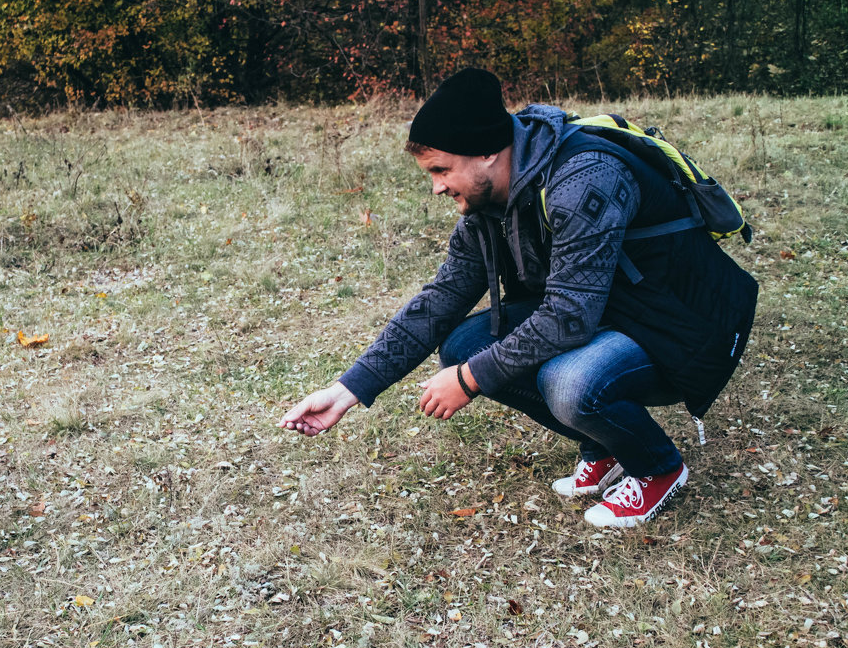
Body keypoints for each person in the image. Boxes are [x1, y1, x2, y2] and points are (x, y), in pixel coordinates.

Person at [278, 68, 757, 528]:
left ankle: (656, 466)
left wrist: (468, 381)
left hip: (682, 322)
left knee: (568, 383)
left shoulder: (584, 178)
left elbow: (568, 318)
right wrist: (346, 391)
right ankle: (605, 445)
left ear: (486, 151)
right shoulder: (488, 204)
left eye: (442, 169)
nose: (437, 186)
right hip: (608, 307)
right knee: (465, 344)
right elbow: (441, 298)